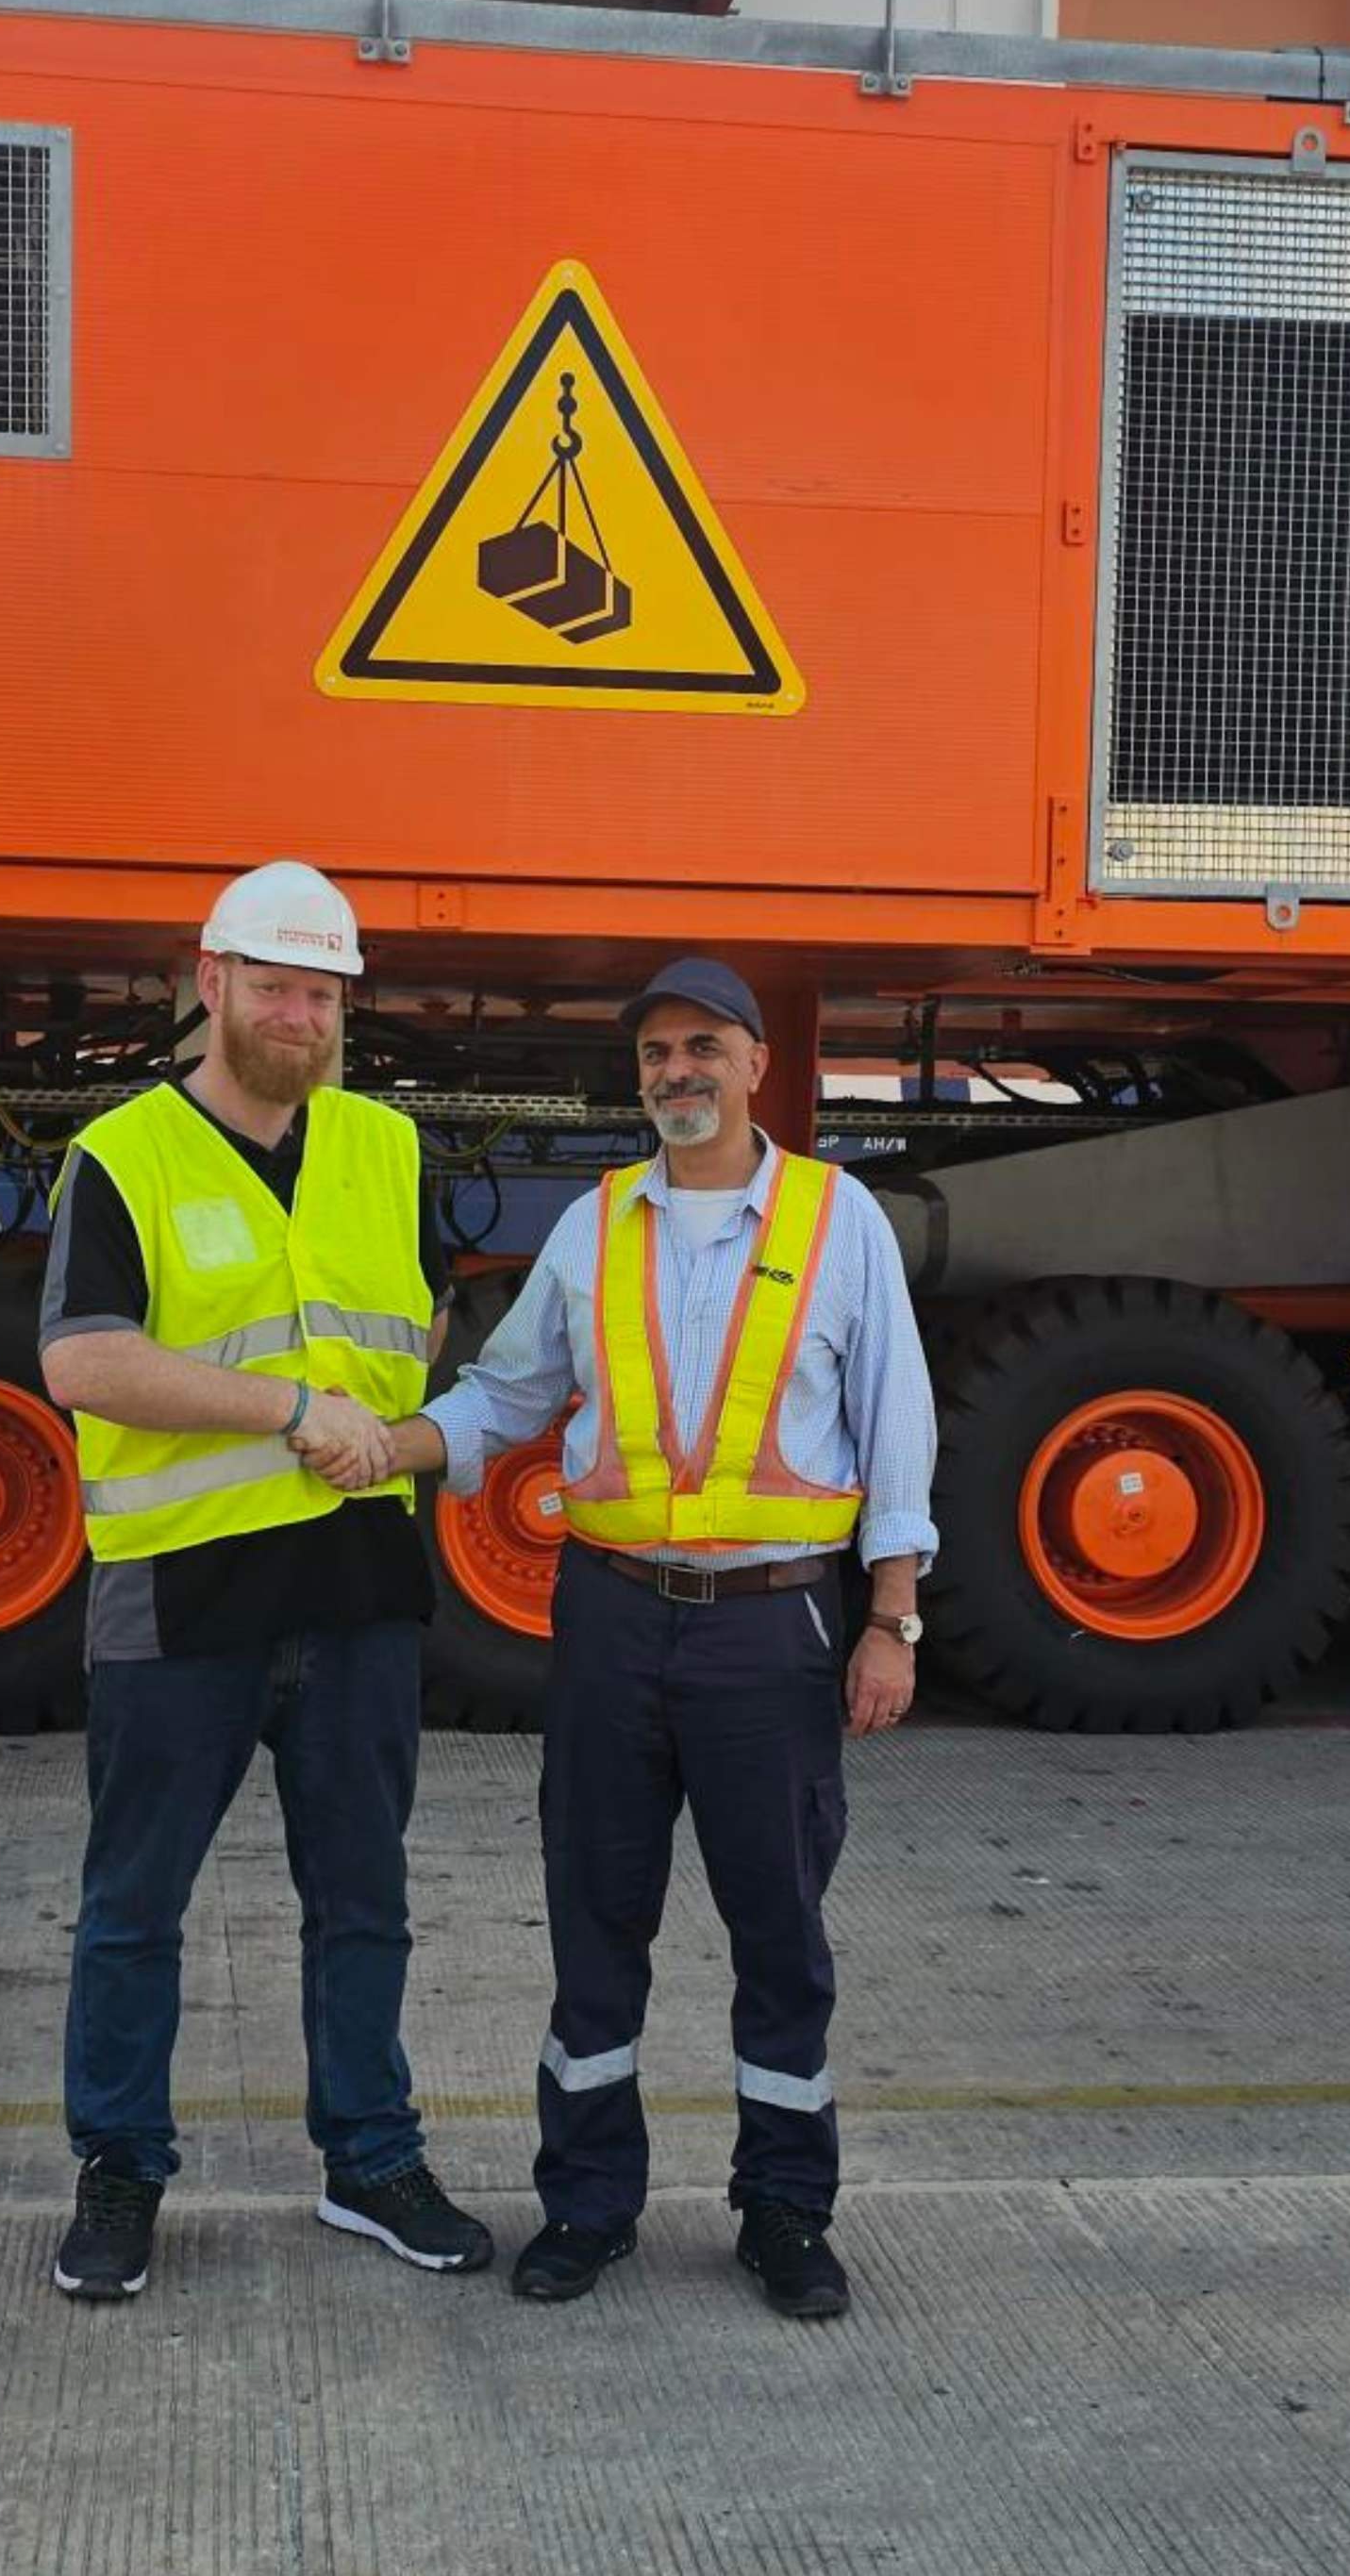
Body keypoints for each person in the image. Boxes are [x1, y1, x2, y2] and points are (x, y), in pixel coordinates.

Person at [391, 954, 937, 2322]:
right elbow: (510, 1394)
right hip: (613, 1620)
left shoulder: (837, 1218)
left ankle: (787, 2214)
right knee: (595, 1922)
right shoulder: (597, 1226)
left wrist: (892, 1620)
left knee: (780, 1933)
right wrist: (399, 1443)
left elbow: (899, 1428)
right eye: (653, 1056)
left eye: (702, 1048)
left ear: (758, 1064)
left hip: (776, 1630)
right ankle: (586, 2205)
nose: (675, 1074)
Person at [30, 860, 496, 2302]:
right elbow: (80, 1359)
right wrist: (290, 1413)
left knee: (362, 1899)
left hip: (357, 1595)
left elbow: (414, 1336)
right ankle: (121, 2173)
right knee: (135, 1908)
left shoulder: (384, 1148)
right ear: (211, 982)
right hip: (181, 1601)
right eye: (276, 984)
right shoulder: (126, 1154)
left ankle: (372, 2159)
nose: (300, 1014)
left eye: (324, 991)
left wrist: (393, 1425)